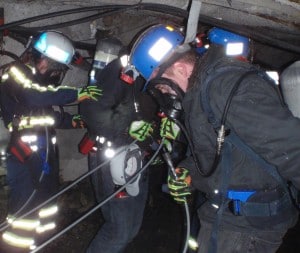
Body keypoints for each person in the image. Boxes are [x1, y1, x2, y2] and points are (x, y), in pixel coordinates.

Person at [123, 23, 300, 253]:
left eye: (163, 87)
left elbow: (292, 148)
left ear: (180, 68)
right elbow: (215, 153)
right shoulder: (201, 95)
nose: (165, 94)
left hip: (246, 227)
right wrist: (188, 173)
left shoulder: (224, 86)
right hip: (224, 219)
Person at [0, 30, 101, 252]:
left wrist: (74, 121)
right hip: (24, 155)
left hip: (45, 153)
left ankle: (39, 247)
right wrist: (78, 94)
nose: (55, 75)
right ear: (40, 58)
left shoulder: (38, 85)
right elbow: (33, 97)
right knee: (24, 216)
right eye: (54, 69)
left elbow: (47, 115)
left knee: (46, 210)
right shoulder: (15, 73)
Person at [79, 41, 161, 252]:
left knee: (131, 228)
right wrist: (127, 126)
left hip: (137, 159)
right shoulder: (120, 72)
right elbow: (92, 113)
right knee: (119, 230)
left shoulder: (150, 80)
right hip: (114, 159)